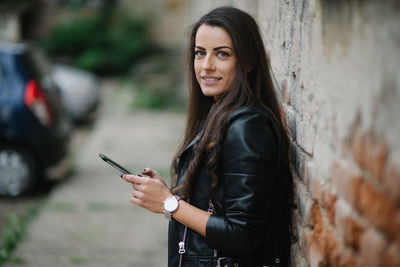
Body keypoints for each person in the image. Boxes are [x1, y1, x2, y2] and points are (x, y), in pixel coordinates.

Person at [122, 6, 292, 267]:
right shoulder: (219, 111)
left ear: (248, 61)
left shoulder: (247, 126)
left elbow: (242, 234)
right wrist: (170, 194)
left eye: (222, 54)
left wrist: (170, 204)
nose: (206, 66)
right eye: (200, 53)